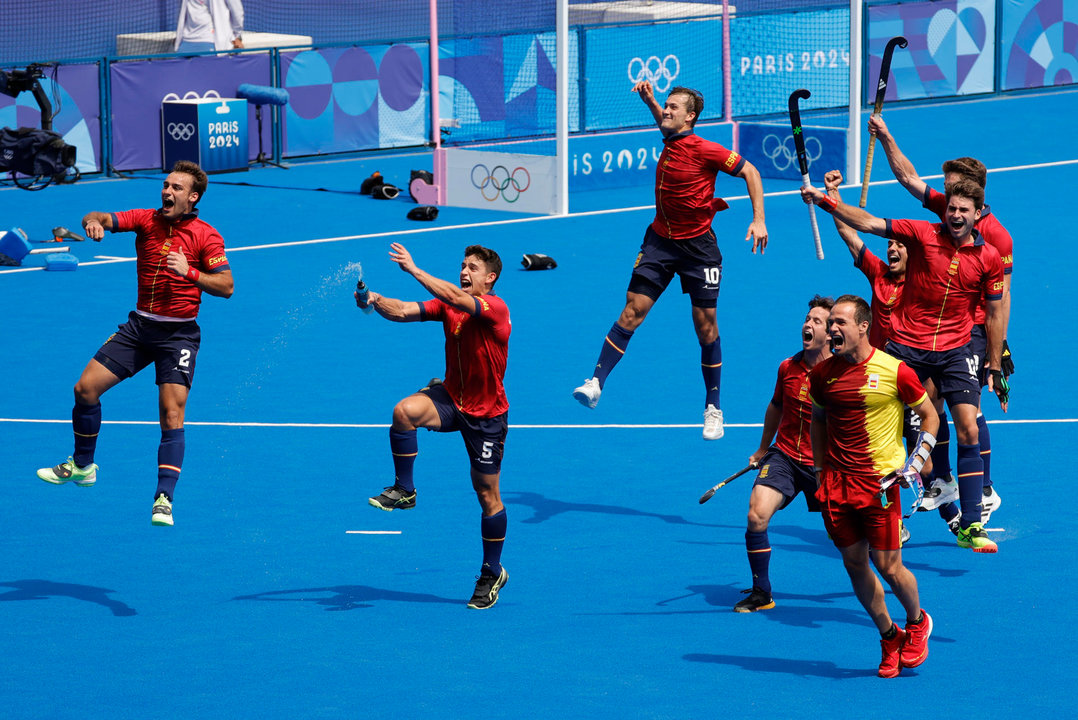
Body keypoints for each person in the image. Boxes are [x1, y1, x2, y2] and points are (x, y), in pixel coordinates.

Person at [801, 176, 1006, 553]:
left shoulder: (989, 258)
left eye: (963, 210)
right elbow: (867, 225)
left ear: (978, 214)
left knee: (968, 428)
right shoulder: (920, 234)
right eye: (951, 208)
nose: (955, 214)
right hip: (907, 349)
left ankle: (972, 522)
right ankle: (895, 502)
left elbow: (996, 311)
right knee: (884, 428)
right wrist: (828, 201)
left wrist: (995, 364)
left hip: (956, 349)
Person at [36, 161, 234, 527]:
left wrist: (188, 272)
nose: (167, 192)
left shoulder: (207, 236)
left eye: (176, 188)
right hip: (139, 328)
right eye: (165, 185)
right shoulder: (145, 219)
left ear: (193, 197)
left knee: (171, 414)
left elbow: (227, 286)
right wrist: (92, 222)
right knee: (85, 389)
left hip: (179, 336)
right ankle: (82, 466)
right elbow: (100, 216)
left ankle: (164, 497)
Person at [572, 81, 768, 440]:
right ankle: (596, 382)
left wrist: (758, 219)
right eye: (665, 105)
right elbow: (666, 126)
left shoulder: (706, 149)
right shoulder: (673, 138)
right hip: (659, 242)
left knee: (705, 326)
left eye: (673, 107)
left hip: (698, 250)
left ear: (690, 116)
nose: (666, 111)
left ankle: (713, 408)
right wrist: (650, 102)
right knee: (632, 311)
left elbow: (751, 172)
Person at [868, 115, 1013, 527]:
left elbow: (1002, 301)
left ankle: (983, 488)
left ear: (974, 196)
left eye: (950, 186)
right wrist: (887, 137)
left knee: (968, 410)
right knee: (927, 400)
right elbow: (909, 179)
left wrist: (999, 351)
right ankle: (945, 479)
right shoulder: (950, 211)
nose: (945, 197)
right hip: (935, 326)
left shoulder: (997, 239)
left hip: (974, 330)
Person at [361, 243, 511, 610]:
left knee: (486, 495)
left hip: (486, 417)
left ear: (489, 279)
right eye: (462, 265)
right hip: (451, 398)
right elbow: (403, 312)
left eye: (473, 268)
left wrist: (414, 268)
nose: (464, 271)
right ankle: (405, 489)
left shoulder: (495, 307)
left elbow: (452, 297)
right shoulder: (450, 304)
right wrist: (374, 299)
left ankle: (492, 571)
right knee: (404, 411)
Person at [809, 295, 938, 678]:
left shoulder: (895, 371)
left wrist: (915, 463)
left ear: (863, 327)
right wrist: (818, 469)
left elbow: (929, 416)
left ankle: (917, 622)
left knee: (888, 565)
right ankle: (889, 635)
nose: (832, 329)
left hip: (878, 484)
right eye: (830, 322)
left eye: (840, 323)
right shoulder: (822, 374)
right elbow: (817, 418)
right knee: (853, 563)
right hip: (835, 485)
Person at [734, 295, 832, 613]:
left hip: (826, 466)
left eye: (817, 321)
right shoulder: (788, 368)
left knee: (850, 543)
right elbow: (776, 406)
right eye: (807, 318)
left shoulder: (843, 375)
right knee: (756, 514)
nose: (808, 324)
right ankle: (762, 592)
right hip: (786, 457)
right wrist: (763, 448)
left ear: (831, 334)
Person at [175, 0, 245, 53]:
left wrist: (235, 36)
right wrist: (236, 36)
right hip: (202, 43)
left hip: (187, 44)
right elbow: (237, 13)